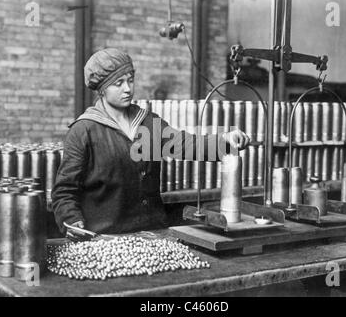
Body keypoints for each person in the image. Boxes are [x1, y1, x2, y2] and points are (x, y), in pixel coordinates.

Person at [52, 48, 250, 241]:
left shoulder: (147, 122)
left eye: (130, 80)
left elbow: (187, 144)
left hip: (154, 234)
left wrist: (225, 141)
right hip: (105, 239)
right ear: (102, 89)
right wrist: (72, 220)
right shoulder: (84, 131)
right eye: (118, 83)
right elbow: (64, 191)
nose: (128, 89)